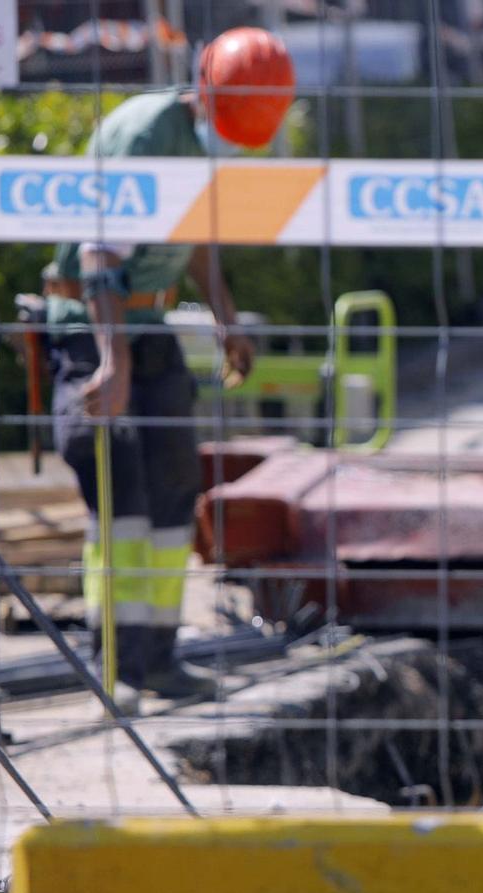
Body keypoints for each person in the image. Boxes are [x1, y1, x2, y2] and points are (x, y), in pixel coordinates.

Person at [42, 27, 294, 710]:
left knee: (175, 490)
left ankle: (158, 659)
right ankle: (112, 662)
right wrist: (113, 362)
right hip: (96, 333)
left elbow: (198, 238)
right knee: (120, 497)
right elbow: (99, 252)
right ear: (208, 96)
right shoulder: (147, 135)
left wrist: (225, 317)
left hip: (151, 328)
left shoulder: (204, 148)